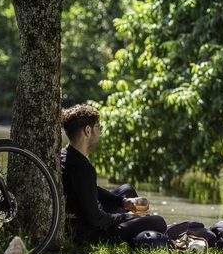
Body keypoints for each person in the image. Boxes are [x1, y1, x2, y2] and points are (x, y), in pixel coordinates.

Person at [61, 103, 167, 246]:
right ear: (87, 131)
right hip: (89, 234)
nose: (101, 132)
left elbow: (90, 190)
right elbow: (96, 219)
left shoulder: (65, 155)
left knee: (126, 190)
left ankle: (139, 226)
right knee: (158, 222)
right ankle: (141, 240)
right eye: (99, 128)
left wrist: (122, 202)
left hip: (83, 217)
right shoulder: (83, 169)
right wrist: (126, 217)